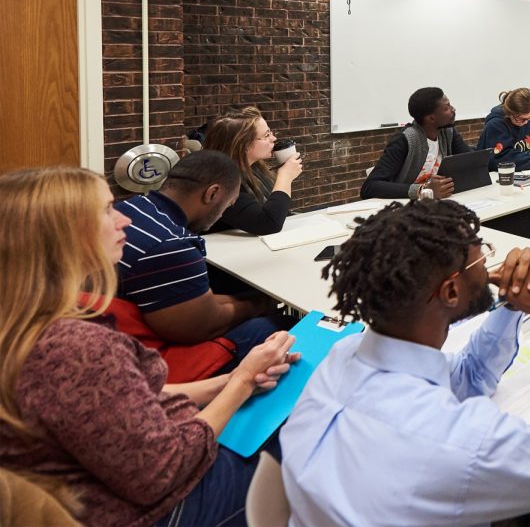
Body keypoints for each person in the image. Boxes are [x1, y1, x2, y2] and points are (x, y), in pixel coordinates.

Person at [281, 200, 530, 525]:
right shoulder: (456, 440)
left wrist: (512, 304)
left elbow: (469, 378)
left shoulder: (343, 355)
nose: (490, 263)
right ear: (450, 293)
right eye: (481, 257)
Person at [0, 166, 299, 527]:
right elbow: (161, 471)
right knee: (303, 440)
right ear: (63, 236)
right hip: (149, 511)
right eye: (106, 210)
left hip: (92, 494)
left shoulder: (21, 323)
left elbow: (107, 405)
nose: (123, 220)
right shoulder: (75, 347)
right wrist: (243, 383)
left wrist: (226, 381)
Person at [115, 151, 296, 379]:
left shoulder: (131, 208)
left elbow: (198, 301)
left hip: (121, 326)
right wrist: (260, 304)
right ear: (212, 194)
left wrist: (240, 301)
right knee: (285, 327)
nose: (223, 213)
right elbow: (200, 326)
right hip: (148, 360)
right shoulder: (172, 245)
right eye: (228, 205)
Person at [202, 106, 303, 235]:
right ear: (243, 145)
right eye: (266, 135)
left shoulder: (255, 167)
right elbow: (268, 224)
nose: (274, 139)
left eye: (270, 132)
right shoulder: (221, 182)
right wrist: (285, 177)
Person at [361, 87, 472, 200]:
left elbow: (471, 162)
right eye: (447, 107)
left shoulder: (448, 133)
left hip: (439, 204)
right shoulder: (405, 140)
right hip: (407, 208)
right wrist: (422, 190)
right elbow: (370, 187)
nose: (453, 109)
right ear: (431, 118)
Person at [476, 88, 530, 171]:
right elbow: (501, 158)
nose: (526, 122)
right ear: (509, 113)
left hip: (523, 173)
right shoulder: (495, 125)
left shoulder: (528, 122)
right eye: (521, 119)